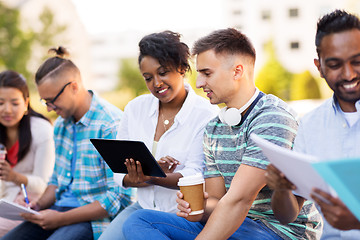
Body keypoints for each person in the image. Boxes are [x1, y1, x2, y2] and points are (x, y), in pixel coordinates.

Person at [121, 28, 322, 239]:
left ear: (237, 71)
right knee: (139, 221)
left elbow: (239, 201)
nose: (198, 83)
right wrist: (197, 208)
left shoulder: (272, 118)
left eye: (207, 73)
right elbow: (217, 201)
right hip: (235, 223)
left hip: (274, 231)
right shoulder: (214, 128)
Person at [0, 47, 132, 240]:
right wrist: (38, 206)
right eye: (45, 102)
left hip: (93, 220)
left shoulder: (110, 125)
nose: (49, 109)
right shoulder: (62, 124)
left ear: (74, 87)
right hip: (59, 210)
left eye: (52, 101)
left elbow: (117, 199)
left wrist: (60, 218)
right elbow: (56, 180)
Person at [99, 31, 219, 240]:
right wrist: (140, 176)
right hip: (142, 208)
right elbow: (118, 172)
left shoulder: (206, 115)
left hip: (182, 216)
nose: (156, 83)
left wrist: (153, 176)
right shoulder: (135, 109)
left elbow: (194, 175)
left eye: (163, 73)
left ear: (181, 68)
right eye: (148, 78)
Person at [265, 10, 360, 239]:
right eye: (335, 64)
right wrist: (280, 188)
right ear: (319, 67)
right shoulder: (309, 125)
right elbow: (287, 214)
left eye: (357, 61)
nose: (348, 74)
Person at [0, 70, 55, 237]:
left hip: (29, 201)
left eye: (15, 103)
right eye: (0, 103)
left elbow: (44, 184)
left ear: (26, 103)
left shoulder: (41, 130)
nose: (7, 110)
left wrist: (14, 177)